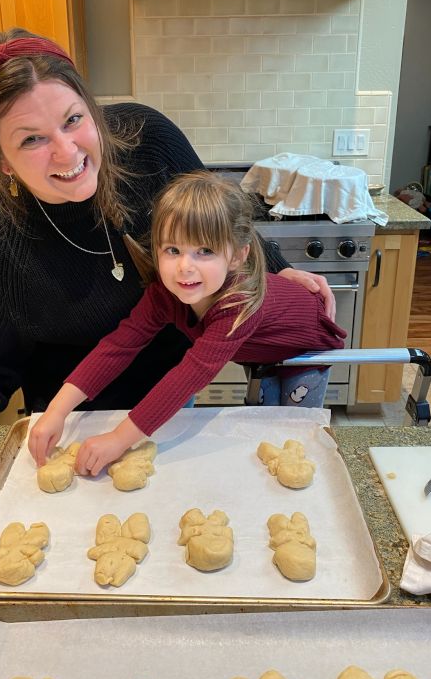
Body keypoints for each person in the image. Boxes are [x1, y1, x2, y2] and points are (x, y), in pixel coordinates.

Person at [0, 28, 335, 545]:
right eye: (31, 139)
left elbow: (220, 224)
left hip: (171, 406)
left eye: (73, 120)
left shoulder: (147, 140)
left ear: (91, 107)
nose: (67, 152)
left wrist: (276, 270)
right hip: (72, 426)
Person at [29, 171, 346, 478]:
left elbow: (187, 377)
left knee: (293, 434)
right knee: (265, 421)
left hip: (306, 352)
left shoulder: (240, 305)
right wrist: (56, 412)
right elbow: (118, 346)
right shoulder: (163, 295)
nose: (185, 267)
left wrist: (118, 439)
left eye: (204, 251)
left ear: (237, 256)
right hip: (263, 351)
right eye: (173, 250)